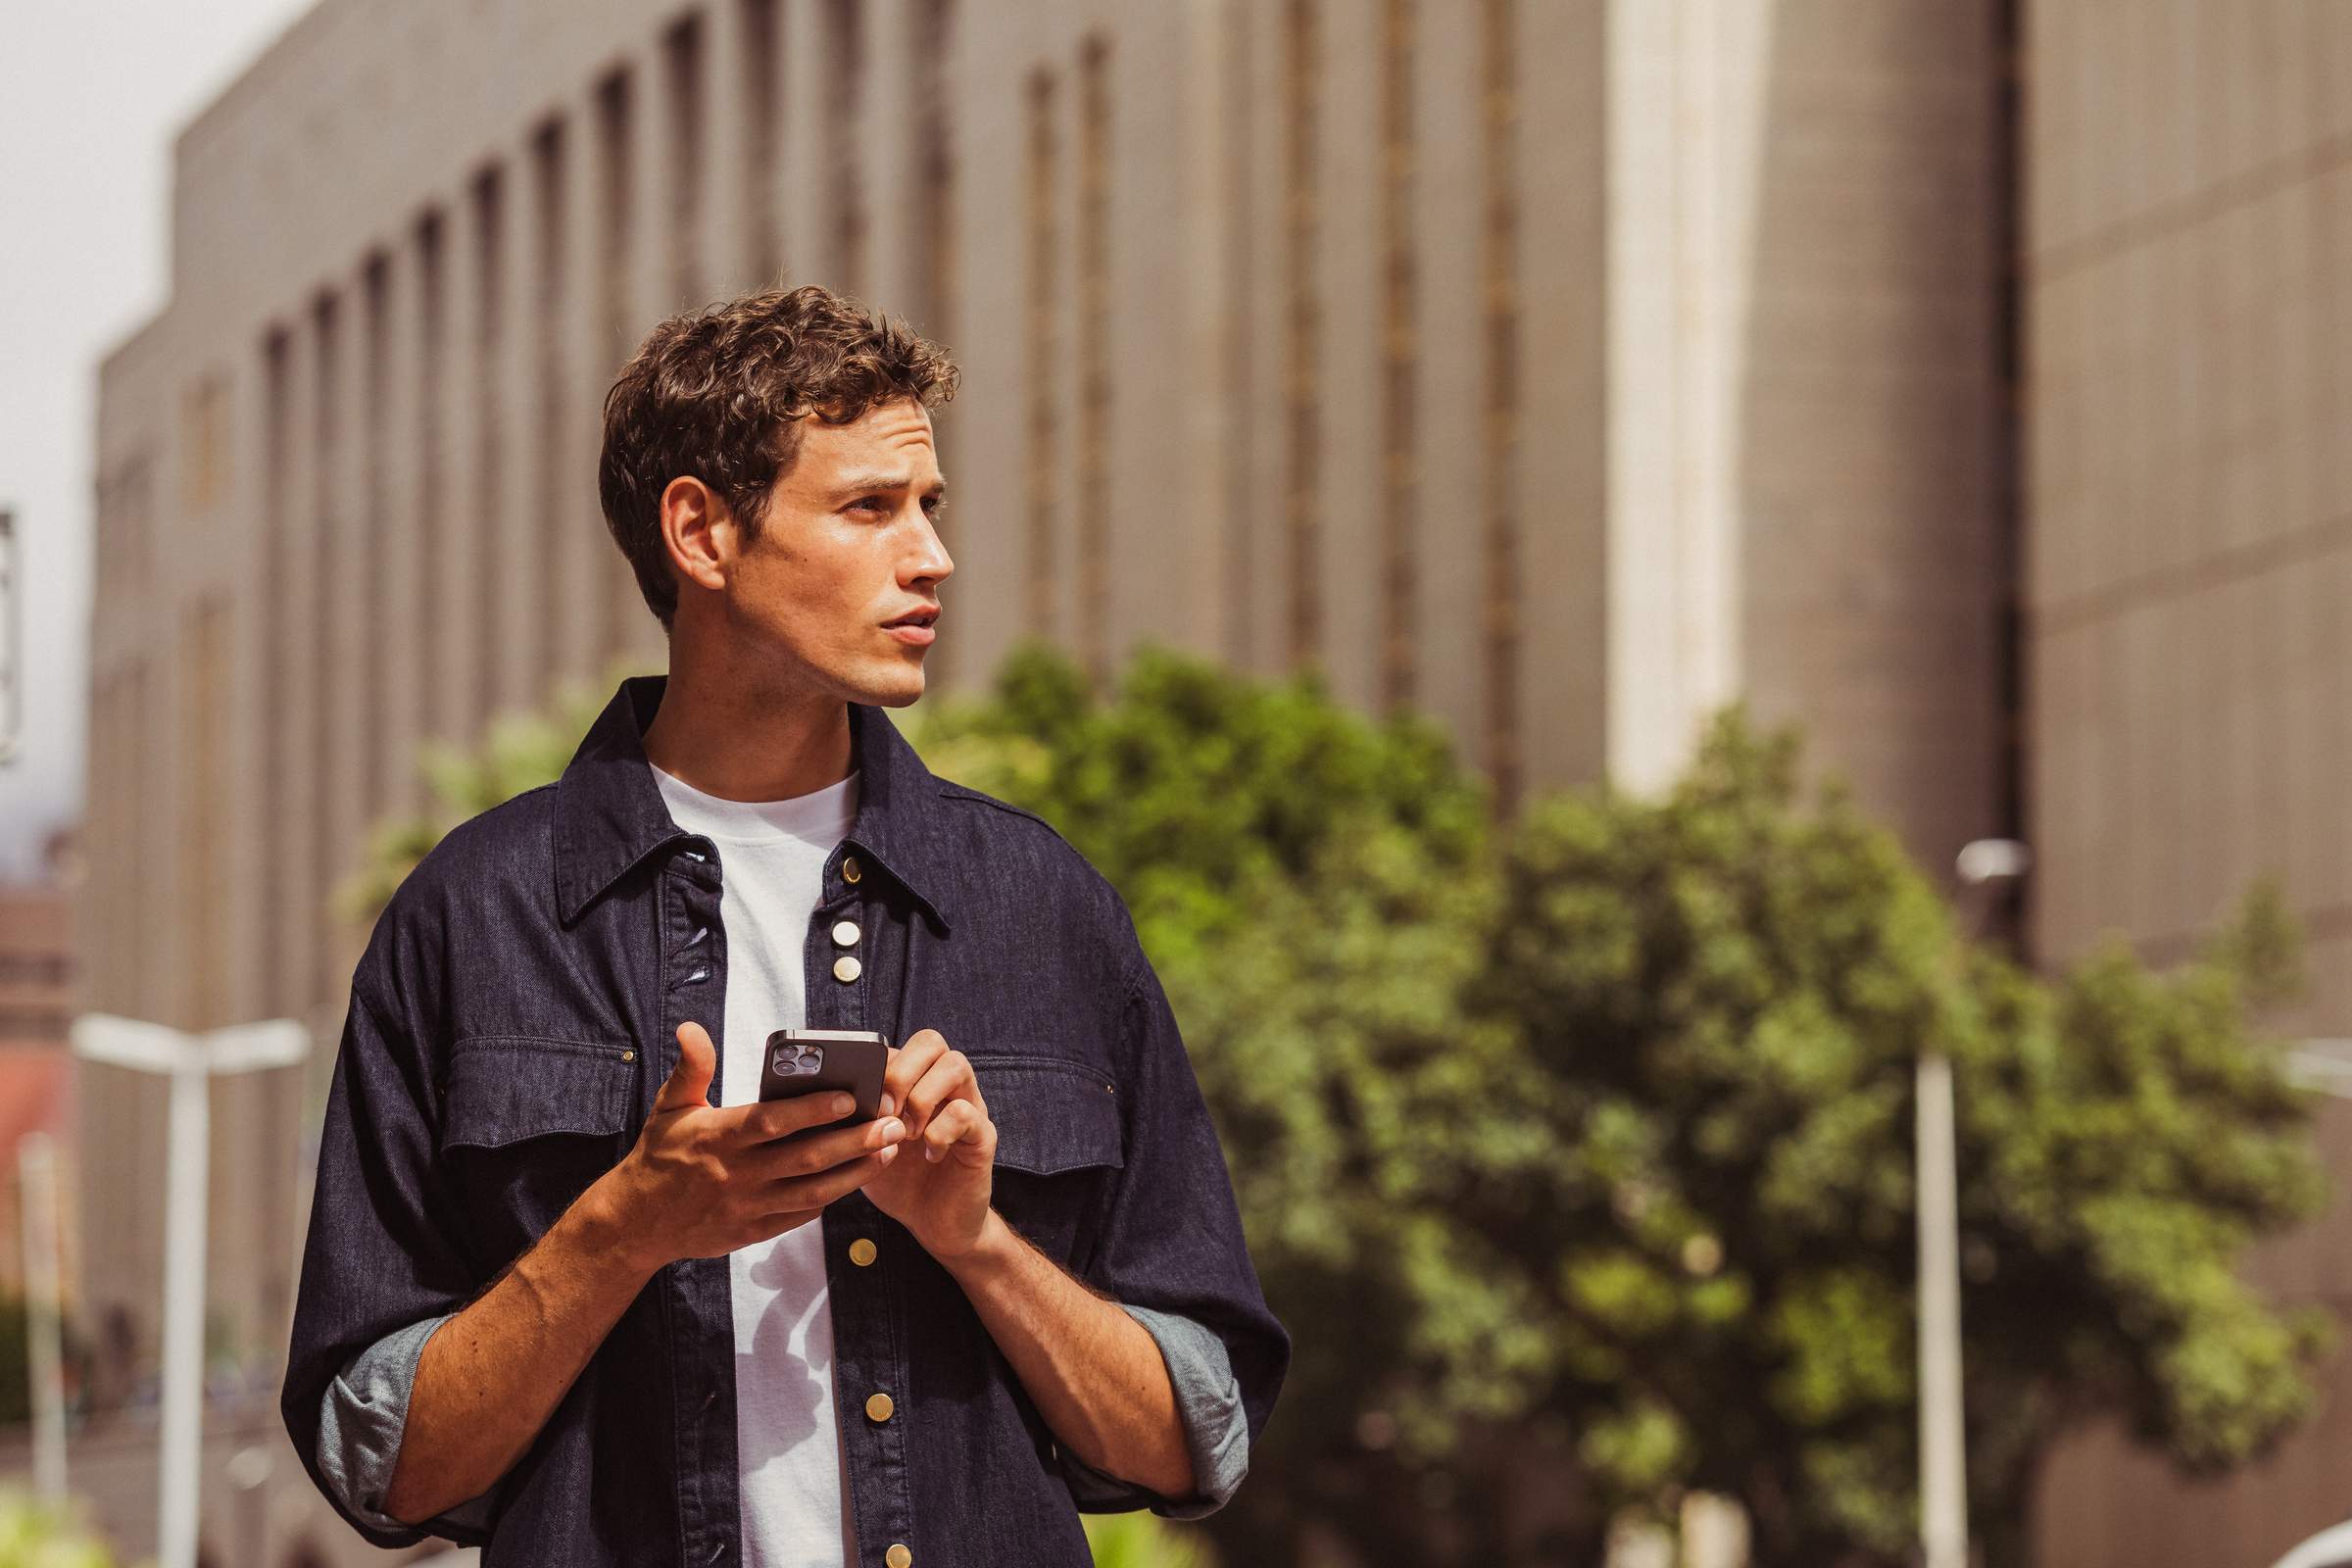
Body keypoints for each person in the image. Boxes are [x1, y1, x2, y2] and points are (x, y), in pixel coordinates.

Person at [279, 284, 1289, 1567]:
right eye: (870, 508)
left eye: (927, 507)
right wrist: (625, 1226)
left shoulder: (1041, 906)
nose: (931, 556)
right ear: (702, 532)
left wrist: (971, 1235)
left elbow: (1190, 1447)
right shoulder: (477, 914)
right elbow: (387, 1472)